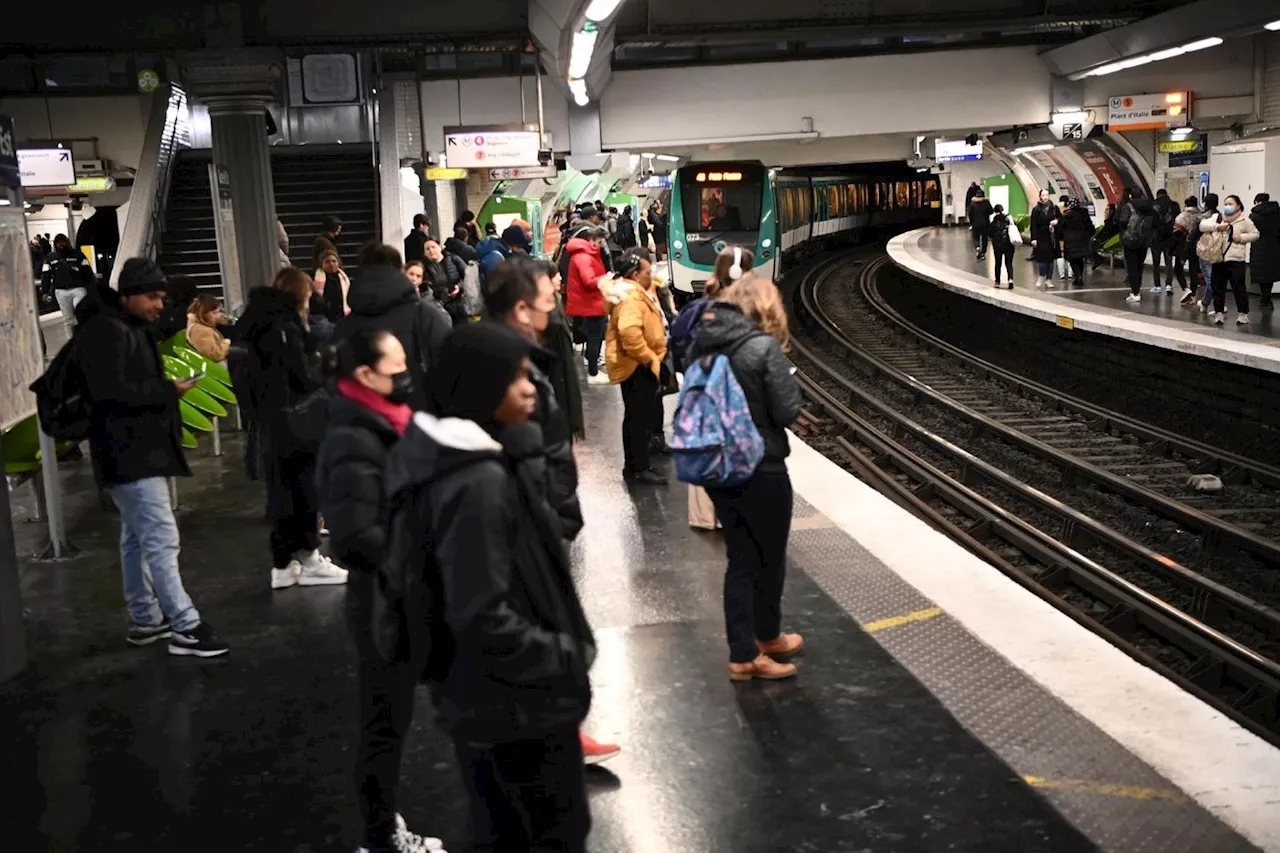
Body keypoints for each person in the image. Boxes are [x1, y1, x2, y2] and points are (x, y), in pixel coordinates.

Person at [381, 322, 594, 853]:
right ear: (480, 387)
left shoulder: (460, 460)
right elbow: (479, 613)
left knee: (504, 828)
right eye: (516, 377)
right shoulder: (475, 482)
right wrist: (562, 656)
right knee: (546, 832)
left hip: (489, 699)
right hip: (516, 702)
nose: (529, 388)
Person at [314, 329, 443, 853]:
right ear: (364, 375)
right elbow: (355, 537)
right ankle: (381, 837)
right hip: (382, 602)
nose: (405, 375)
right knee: (384, 723)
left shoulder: (383, 420)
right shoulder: (353, 437)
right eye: (396, 367)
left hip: (401, 593)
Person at [75, 259, 228, 657]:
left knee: (137, 540)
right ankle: (185, 624)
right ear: (128, 294)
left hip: (129, 450)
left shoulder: (119, 327)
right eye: (152, 296)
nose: (160, 304)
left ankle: (145, 619)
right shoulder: (108, 333)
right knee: (161, 537)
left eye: (162, 296)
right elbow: (112, 394)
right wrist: (167, 392)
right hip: (131, 451)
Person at [687, 274, 803, 681]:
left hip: (719, 466)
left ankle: (759, 641)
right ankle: (751, 649)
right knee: (766, 559)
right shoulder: (762, 348)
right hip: (762, 466)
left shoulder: (704, 342)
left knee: (740, 556)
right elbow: (787, 411)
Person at [238, 269, 349, 590]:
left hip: (272, 422)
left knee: (281, 492)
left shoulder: (257, 324)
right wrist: (325, 368)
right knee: (305, 490)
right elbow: (301, 377)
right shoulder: (284, 328)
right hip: (296, 423)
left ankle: (283, 563)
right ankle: (311, 558)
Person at [333, 243, 450, 411]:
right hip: (419, 419)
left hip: (361, 422)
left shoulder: (344, 325)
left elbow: (335, 380)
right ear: (399, 269)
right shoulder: (424, 314)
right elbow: (448, 368)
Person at [604, 252, 668, 485]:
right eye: (647, 272)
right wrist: (650, 358)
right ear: (635, 274)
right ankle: (640, 468)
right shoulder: (631, 298)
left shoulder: (629, 292)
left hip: (635, 365)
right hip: (637, 367)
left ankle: (632, 466)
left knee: (634, 418)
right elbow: (630, 333)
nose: (651, 276)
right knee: (639, 419)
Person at [1200, 194, 1260, 326]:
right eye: (1225, 204)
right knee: (1218, 287)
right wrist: (1216, 227)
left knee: (1239, 287)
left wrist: (1241, 238)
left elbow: (1255, 234)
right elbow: (1202, 225)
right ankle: (1219, 313)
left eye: (1230, 204)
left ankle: (1243, 314)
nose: (1227, 206)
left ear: (1238, 205)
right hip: (1219, 257)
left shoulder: (1245, 220)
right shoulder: (1218, 217)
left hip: (1236, 259)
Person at [565, 227, 610, 386]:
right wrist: (606, 279)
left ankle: (593, 369)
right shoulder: (584, 257)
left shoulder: (583, 254)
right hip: (591, 303)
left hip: (591, 302)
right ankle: (593, 372)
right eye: (598, 242)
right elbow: (589, 281)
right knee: (595, 338)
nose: (600, 245)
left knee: (594, 337)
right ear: (590, 240)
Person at [43, 233, 95, 336]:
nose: (60, 244)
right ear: (55, 244)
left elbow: (88, 272)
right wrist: (45, 291)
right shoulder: (50, 258)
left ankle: (85, 337)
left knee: (81, 313)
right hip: (61, 291)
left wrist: (92, 289)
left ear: (67, 242)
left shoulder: (78, 255)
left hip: (78, 289)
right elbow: (46, 275)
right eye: (58, 242)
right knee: (68, 318)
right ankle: (71, 341)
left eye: (62, 242)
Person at [1115, 188, 1156, 303]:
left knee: (1132, 267)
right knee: (1139, 266)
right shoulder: (1149, 207)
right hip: (1144, 241)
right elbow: (1155, 222)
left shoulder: (1128, 206)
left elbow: (1122, 221)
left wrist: (1123, 232)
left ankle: (1135, 292)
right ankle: (1137, 289)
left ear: (1130, 196)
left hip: (1130, 240)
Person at [424, 237, 468, 326]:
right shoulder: (425, 268)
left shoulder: (454, 259)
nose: (431, 250)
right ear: (425, 253)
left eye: (433, 247)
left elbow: (467, 277)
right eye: (427, 249)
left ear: (439, 247)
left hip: (460, 304)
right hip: (440, 308)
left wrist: (459, 287)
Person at [1250, 192, 1280, 311]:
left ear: (1257, 202)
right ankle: (1266, 298)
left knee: (1261, 274)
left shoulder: (1254, 216)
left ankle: (1265, 298)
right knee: (1270, 274)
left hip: (1259, 247)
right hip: (1275, 248)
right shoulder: (1277, 214)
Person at [1150, 188, 1181, 294]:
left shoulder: (1152, 205)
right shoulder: (1174, 205)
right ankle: (1168, 285)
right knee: (1169, 262)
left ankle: (1157, 286)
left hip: (1156, 238)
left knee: (1156, 263)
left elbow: (1150, 222)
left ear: (1157, 195)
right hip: (1169, 238)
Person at [1195, 193, 1222, 314]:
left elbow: (1193, 235)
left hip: (1205, 251)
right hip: (1219, 251)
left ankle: (1213, 304)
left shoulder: (1202, 218)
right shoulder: (1222, 217)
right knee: (1216, 279)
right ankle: (1209, 303)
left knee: (1211, 281)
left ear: (1205, 204)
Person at [1173, 196, 1203, 304]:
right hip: (1197, 245)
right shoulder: (1201, 216)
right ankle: (1193, 295)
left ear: (1186, 204)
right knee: (1193, 270)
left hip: (1182, 246)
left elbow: (1176, 234)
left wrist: (1172, 249)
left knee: (1178, 268)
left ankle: (1186, 289)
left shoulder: (1181, 217)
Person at [186, 294, 232, 363]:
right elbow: (215, 355)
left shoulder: (202, 326)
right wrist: (226, 343)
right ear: (203, 314)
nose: (217, 316)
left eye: (218, 312)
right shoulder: (200, 330)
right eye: (214, 313)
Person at [1029, 189, 1058, 288]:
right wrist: (1033, 238)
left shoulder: (1054, 208)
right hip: (1041, 236)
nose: (1045, 197)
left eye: (1047, 195)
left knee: (1050, 259)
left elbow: (1061, 218)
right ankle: (1041, 276)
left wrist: (1056, 221)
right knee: (1041, 259)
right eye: (1043, 195)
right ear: (1040, 196)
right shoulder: (1036, 209)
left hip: (1051, 236)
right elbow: (1033, 225)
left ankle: (1049, 279)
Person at [1060, 199, 1094, 284]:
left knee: (1072, 259)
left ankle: (1078, 276)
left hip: (1070, 240)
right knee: (1080, 258)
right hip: (1082, 239)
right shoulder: (1084, 213)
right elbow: (1089, 225)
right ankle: (1080, 276)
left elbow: (1061, 227)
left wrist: (1061, 237)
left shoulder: (1066, 215)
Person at [316, 249, 352, 322]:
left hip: (343, 317)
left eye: (334, 261)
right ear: (321, 264)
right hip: (326, 318)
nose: (331, 264)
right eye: (327, 262)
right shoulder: (316, 279)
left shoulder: (344, 279)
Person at [987, 204, 1017, 289]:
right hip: (1009, 245)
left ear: (995, 212)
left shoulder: (993, 223)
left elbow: (990, 235)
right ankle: (1010, 279)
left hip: (997, 246)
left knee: (998, 263)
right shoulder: (1008, 221)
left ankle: (997, 282)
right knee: (1009, 263)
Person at [966, 190, 993, 260]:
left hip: (975, 224)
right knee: (984, 239)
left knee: (975, 237)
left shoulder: (972, 203)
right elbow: (991, 211)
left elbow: (969, 214)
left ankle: (977, 248)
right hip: (985, 224)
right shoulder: (986, 202)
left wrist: (971, 223)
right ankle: (983, 253)